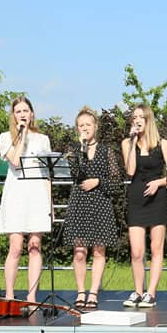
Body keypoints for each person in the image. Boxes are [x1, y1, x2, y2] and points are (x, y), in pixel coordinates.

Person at [63, 107, 122, 311]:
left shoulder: (107, 151)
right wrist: (81, 151)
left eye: (88, 124)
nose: (85, 128)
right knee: (79, 251)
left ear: (95, 126)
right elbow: (74, 174)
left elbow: (116, 183)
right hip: (79, 203)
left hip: (100, 203)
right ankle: (81, 291)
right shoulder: (73, 150)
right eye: (81, 125)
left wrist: (98, 181)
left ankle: (94, 292)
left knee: (98, 250)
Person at [0, 96, 53, 303]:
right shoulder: (5, 137)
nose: (22, 114)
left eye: (25, 111)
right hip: (16, 194)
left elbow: (47, 173)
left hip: (37, 194)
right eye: (18, 111)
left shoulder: (43, 139)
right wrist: (22, 135)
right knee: (16, 246)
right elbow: (16, 162)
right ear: (13, 115)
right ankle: (10, 295)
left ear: (32, 114)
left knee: (35, 246)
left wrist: (50, 203)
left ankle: (32, 296)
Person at [121, 104, 167, 308]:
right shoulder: (127, 143)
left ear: (148, 120)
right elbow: (130, 171)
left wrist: (159, 183)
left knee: (156, 248)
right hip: (136, 199)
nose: (137, 120)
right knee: (136, 251)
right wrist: (133, 141)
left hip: (157, 198)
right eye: (134, 117)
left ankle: (151, 292)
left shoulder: (162, 144)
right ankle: (138, 291)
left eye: (141, 117)